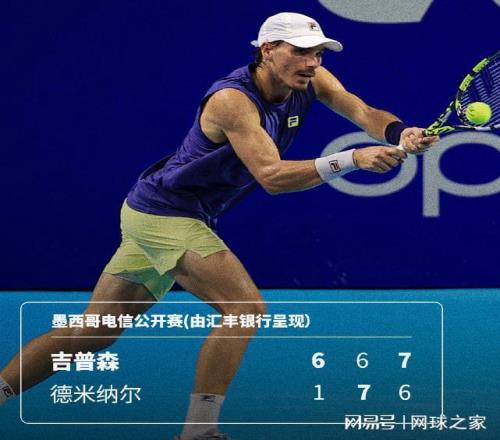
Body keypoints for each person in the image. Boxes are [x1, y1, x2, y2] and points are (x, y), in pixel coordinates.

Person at [0, 11, 438, 440]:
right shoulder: (232, 100)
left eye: (318, 53)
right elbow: (272, 177)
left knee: (93, 333)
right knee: (244, 309)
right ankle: (198, 430)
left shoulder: (311, 79)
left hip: (156, 211)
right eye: (300, 51)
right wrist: (353, 158)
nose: (312, 62)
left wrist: (399, 132)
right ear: (268, 50)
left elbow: (363, 111)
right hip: (165, 214)